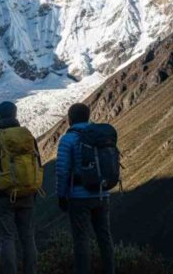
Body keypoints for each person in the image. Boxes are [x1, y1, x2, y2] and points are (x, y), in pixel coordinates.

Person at [0, 101, 40, 274]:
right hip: (27, 193)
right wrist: (32, 190)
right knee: (28, 237)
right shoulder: (27, 135)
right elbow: (37, 164)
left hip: (2, 195)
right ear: (15, 115)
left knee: (7, 237)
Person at [56, 103, 115, 274]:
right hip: (102, 193)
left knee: (81, 239)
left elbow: (62, 170)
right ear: (88, 116)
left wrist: (62, 196)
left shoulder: (68, 139)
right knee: (104, 237)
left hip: (79, 197)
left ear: (70, 119)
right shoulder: (100, 135)